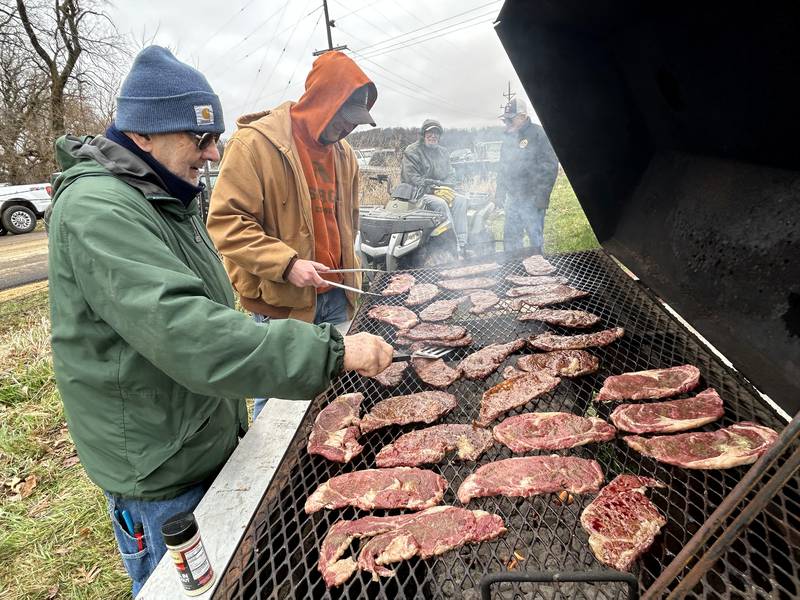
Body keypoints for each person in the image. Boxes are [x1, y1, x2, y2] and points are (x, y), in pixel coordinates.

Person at [46, 46, 392, 596]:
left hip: (197, 428)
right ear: (143, 134)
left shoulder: (163, 195)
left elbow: (206, 311)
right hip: (159, 465)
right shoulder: (99, 210)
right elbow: (188, 331)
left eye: (214, 139)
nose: (212, 154)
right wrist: (329, 349)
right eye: (199, 139)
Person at [207, 51, 377, 420]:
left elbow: (347, 220)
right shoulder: (255, 144)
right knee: (278, 402)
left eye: (356, 123)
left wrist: (351, 265)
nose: (349, 128)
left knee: (335, 395)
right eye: (345, 118)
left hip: (337, 294)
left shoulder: (344, 154)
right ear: (323, 101)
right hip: (282, 302)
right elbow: (227, 223)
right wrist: (288, 264)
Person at [495, 98, 559, 254]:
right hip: (513, 198)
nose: (507, 122)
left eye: (511, 118)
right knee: (511, 240)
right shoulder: (508, 138)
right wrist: (499, 194)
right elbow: (503, 168)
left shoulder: (539, 134)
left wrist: (542, 197)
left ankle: (541, 273)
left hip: (532, 197)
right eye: (506, 119)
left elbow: (549, 167)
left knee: (535, 241)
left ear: (523, 116)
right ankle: (513, 270)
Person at [400, 119, 469, 255]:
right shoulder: (412, 151)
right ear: (423, 134)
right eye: (430, 132)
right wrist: (434, 188)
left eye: (436, 133)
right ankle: (452, 246)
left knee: (461, 200)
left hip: (440, 191)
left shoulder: (443, 152)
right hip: (418, 193)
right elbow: (412, 178)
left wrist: (444, 188)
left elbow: (451, 175)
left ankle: (462, 244)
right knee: (441, 204)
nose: (433, 135)